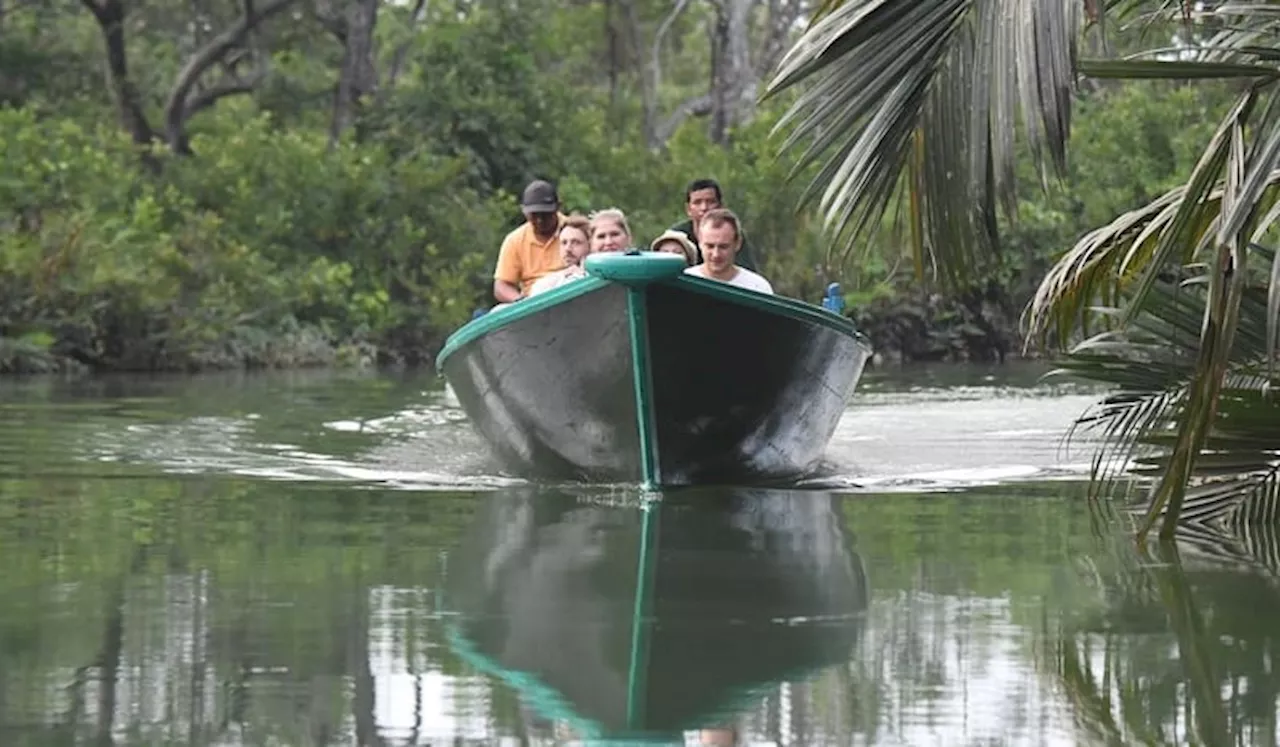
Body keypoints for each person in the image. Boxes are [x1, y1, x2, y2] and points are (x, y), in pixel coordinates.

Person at [492, 179, 567, 303]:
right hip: (532, 300)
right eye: (534, 215)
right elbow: (501, 285)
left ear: (558, 207)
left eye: (545, 214)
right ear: (523, 211)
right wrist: (519, 301)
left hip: (568, 291)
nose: (540, 220)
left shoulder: (574, 230)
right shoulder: (515, 240)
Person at [669, 178, 758, 271]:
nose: (704, 207)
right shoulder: (675, 236)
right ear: (688, 209)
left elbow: (746, 272)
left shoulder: (730, 233)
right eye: (697, 202)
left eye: (710, 201)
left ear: (720, 206)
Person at [683, 208, 773, 294]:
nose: (716, 254)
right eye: (710, 246)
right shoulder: (684, 282)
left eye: (723, 247)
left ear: (738, 244)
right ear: (700, 243)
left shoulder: (757, 287)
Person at [527, 215, 592, 296]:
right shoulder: (545, 285)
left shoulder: (598, 277)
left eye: (575, 242)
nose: (568, 249)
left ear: (590, 245)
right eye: (564, 243)